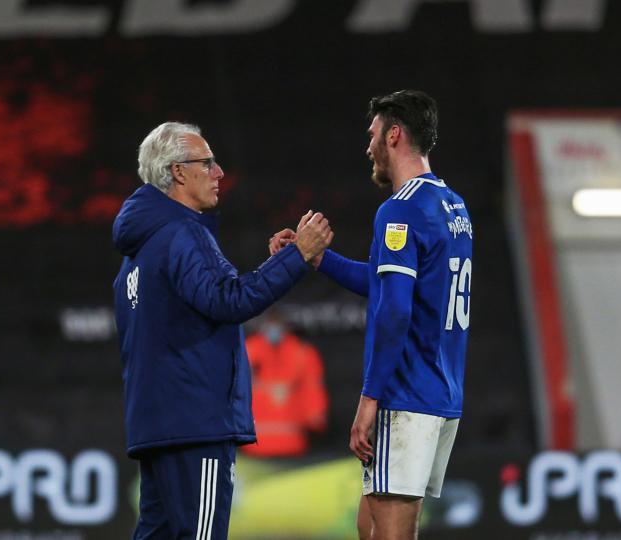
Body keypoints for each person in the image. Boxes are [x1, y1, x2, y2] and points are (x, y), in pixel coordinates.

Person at [112, 121, 333, 540]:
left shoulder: (138, 249)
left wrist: (274, 265)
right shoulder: (183, 233)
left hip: (158, 425)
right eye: (207, 163)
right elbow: (228, 300)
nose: (219, 173)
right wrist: (299, 256)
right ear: (178, 171)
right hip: (197, 424)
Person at [269, 90, 472, 539]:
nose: (368, 146)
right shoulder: (452, 206)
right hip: (441, 393)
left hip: (406, 395)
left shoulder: (400, 209)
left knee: (393, 534)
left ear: (393, 134)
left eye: (373, 134)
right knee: (369, 527)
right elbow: (389, 286)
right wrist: (318, 259)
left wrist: (369, 398)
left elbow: (395, 311)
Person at [242, 310, 328, 458]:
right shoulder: (246, 351)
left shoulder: (303, 353)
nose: (273, 329)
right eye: (270, 324)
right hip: (255, 445)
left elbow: (313, 389)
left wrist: (316, 418)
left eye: (277, 324)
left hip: (291, 443)